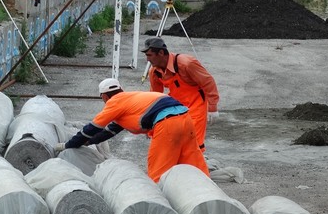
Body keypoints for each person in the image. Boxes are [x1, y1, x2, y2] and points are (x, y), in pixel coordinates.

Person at [55, 78, 209, 183]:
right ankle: (209, 192)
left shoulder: (115, 102)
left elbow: (92, 128)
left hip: (167, 124)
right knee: (193, 163)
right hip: (186, 119)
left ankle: (160, 208)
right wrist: (88, 142)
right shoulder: (130, 100)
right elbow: (108, 132)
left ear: (104, 96)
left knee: (159, 171)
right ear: (121, 89)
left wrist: (68, 145)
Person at [143, 36, 220, 153]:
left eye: (149, 55)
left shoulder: (186, 63)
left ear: (161, 53)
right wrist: (151, 121)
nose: (147, 60)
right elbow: (155, 97)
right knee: (173, 141)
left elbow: (208, 82)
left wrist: (213, 108)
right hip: (176, 107)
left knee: (194, 144)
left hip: (196, 105)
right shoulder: (154, 72)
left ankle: (197, 166)